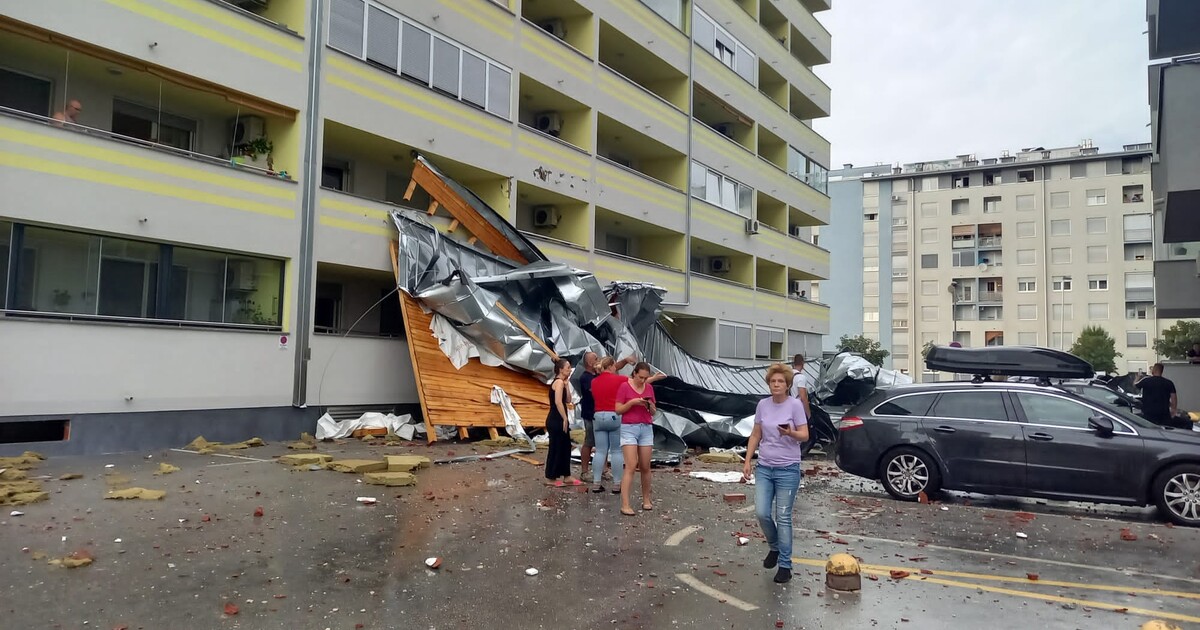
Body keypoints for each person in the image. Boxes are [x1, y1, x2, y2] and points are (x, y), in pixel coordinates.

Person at [742, 363, 809, 584]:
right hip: (765, 466)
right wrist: (747, 460)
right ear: (769, 384)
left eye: (781, 381)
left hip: (788, 468)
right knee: (762, 512)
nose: (776, 385)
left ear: (788, 384)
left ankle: (785, 566)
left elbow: (805, 435)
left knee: (783, 517)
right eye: (773, 381)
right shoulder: (763, 404)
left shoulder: (795, 405)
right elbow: (755, 434)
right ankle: (774, 547)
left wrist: (790, 433)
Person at [578, 352, 637, 480]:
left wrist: (626, 360)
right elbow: (610, 373)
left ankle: (602, 473)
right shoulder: (586, 378)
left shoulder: (596, 377)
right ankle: (585, 471)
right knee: (590, 443)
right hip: (591, 414)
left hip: (599, 414)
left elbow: (613, 367)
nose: (598, 360)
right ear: (589, 363)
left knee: (601, 446)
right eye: (596, 358)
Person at [616, 362, 657, 515]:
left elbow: (653, 412)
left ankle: (646, 499)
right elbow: (618, 409)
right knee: (631, 465)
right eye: (640, 377)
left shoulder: (649, 388)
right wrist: (632, 402)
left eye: (646, 378)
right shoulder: (624, 387)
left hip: (646, 427)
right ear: (634, 374)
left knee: (645, 466)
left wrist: (649, 405)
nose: (643, 381)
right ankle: (625, 504)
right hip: (629, 427)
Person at [588, 357, 626, 494]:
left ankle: (596, 483)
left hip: (598, 416)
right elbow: (634, 384)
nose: (616, 367)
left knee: (600, 451)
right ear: (610, 366)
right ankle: (617, 484)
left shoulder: (594, 381)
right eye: (615, 365)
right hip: (614, 415)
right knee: (616, 451)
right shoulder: (620, 379)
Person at [544, 358, 581, 487]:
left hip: (560, 416)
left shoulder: (562, 383)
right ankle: (551, 477)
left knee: (565, 447)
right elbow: (558, 402)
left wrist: (567, 384)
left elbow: (568, 400)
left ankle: (567, 475)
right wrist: (565, 418)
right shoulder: (558, 382)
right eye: (568, 367)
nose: (570, 370)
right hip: (556, 418)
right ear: (560, 369)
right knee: (556, 447)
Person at [789, 354, 812, 421]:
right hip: (798, 409)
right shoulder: (801, 377)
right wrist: (808, 414)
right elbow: (803, 397)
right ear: (802, 363)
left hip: (788, 407)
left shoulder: (788, 375)